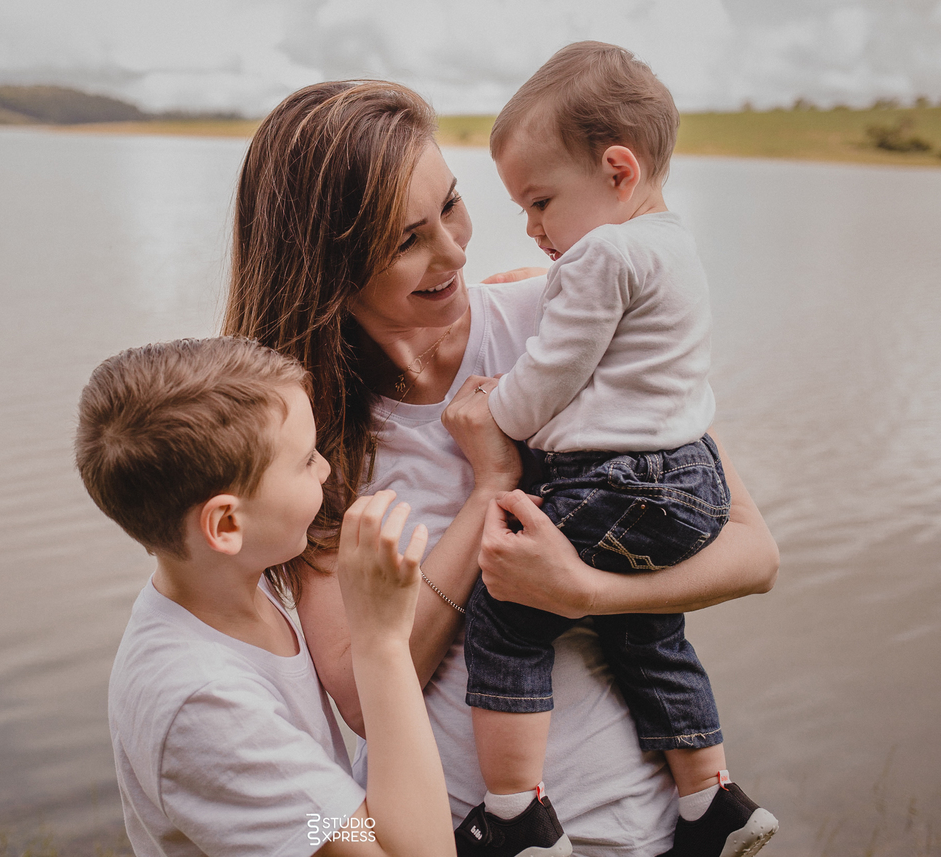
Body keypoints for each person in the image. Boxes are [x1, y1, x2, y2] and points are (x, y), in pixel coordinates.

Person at [223, 80, 779, 857]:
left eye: (450, 206)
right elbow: (359, 692)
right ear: (327, 267)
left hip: (639, 828)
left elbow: (754, 553)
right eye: (404, 240)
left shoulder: (567, 316)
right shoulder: (310, 438)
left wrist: (587, 590)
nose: (454, 251)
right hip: (451, 836)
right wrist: (490, 489)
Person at [455, 42, 778, 857]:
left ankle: (515, 813)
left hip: (623, 476)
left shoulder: (601, 253)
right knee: (649, 629)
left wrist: (501, 405)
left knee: (505, 609)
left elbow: (551, 374)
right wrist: (537, 281)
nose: (531, 227)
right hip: (687, 474)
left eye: (540, 201)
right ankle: (711, 799)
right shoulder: (670, 244)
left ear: (618, 171)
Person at [74, 336, 457, 857]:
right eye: (304, 461)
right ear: (227, 523)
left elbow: (320, 827)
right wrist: (380, 639)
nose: (326, 469)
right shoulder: (203, 706)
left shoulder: (238, 578)